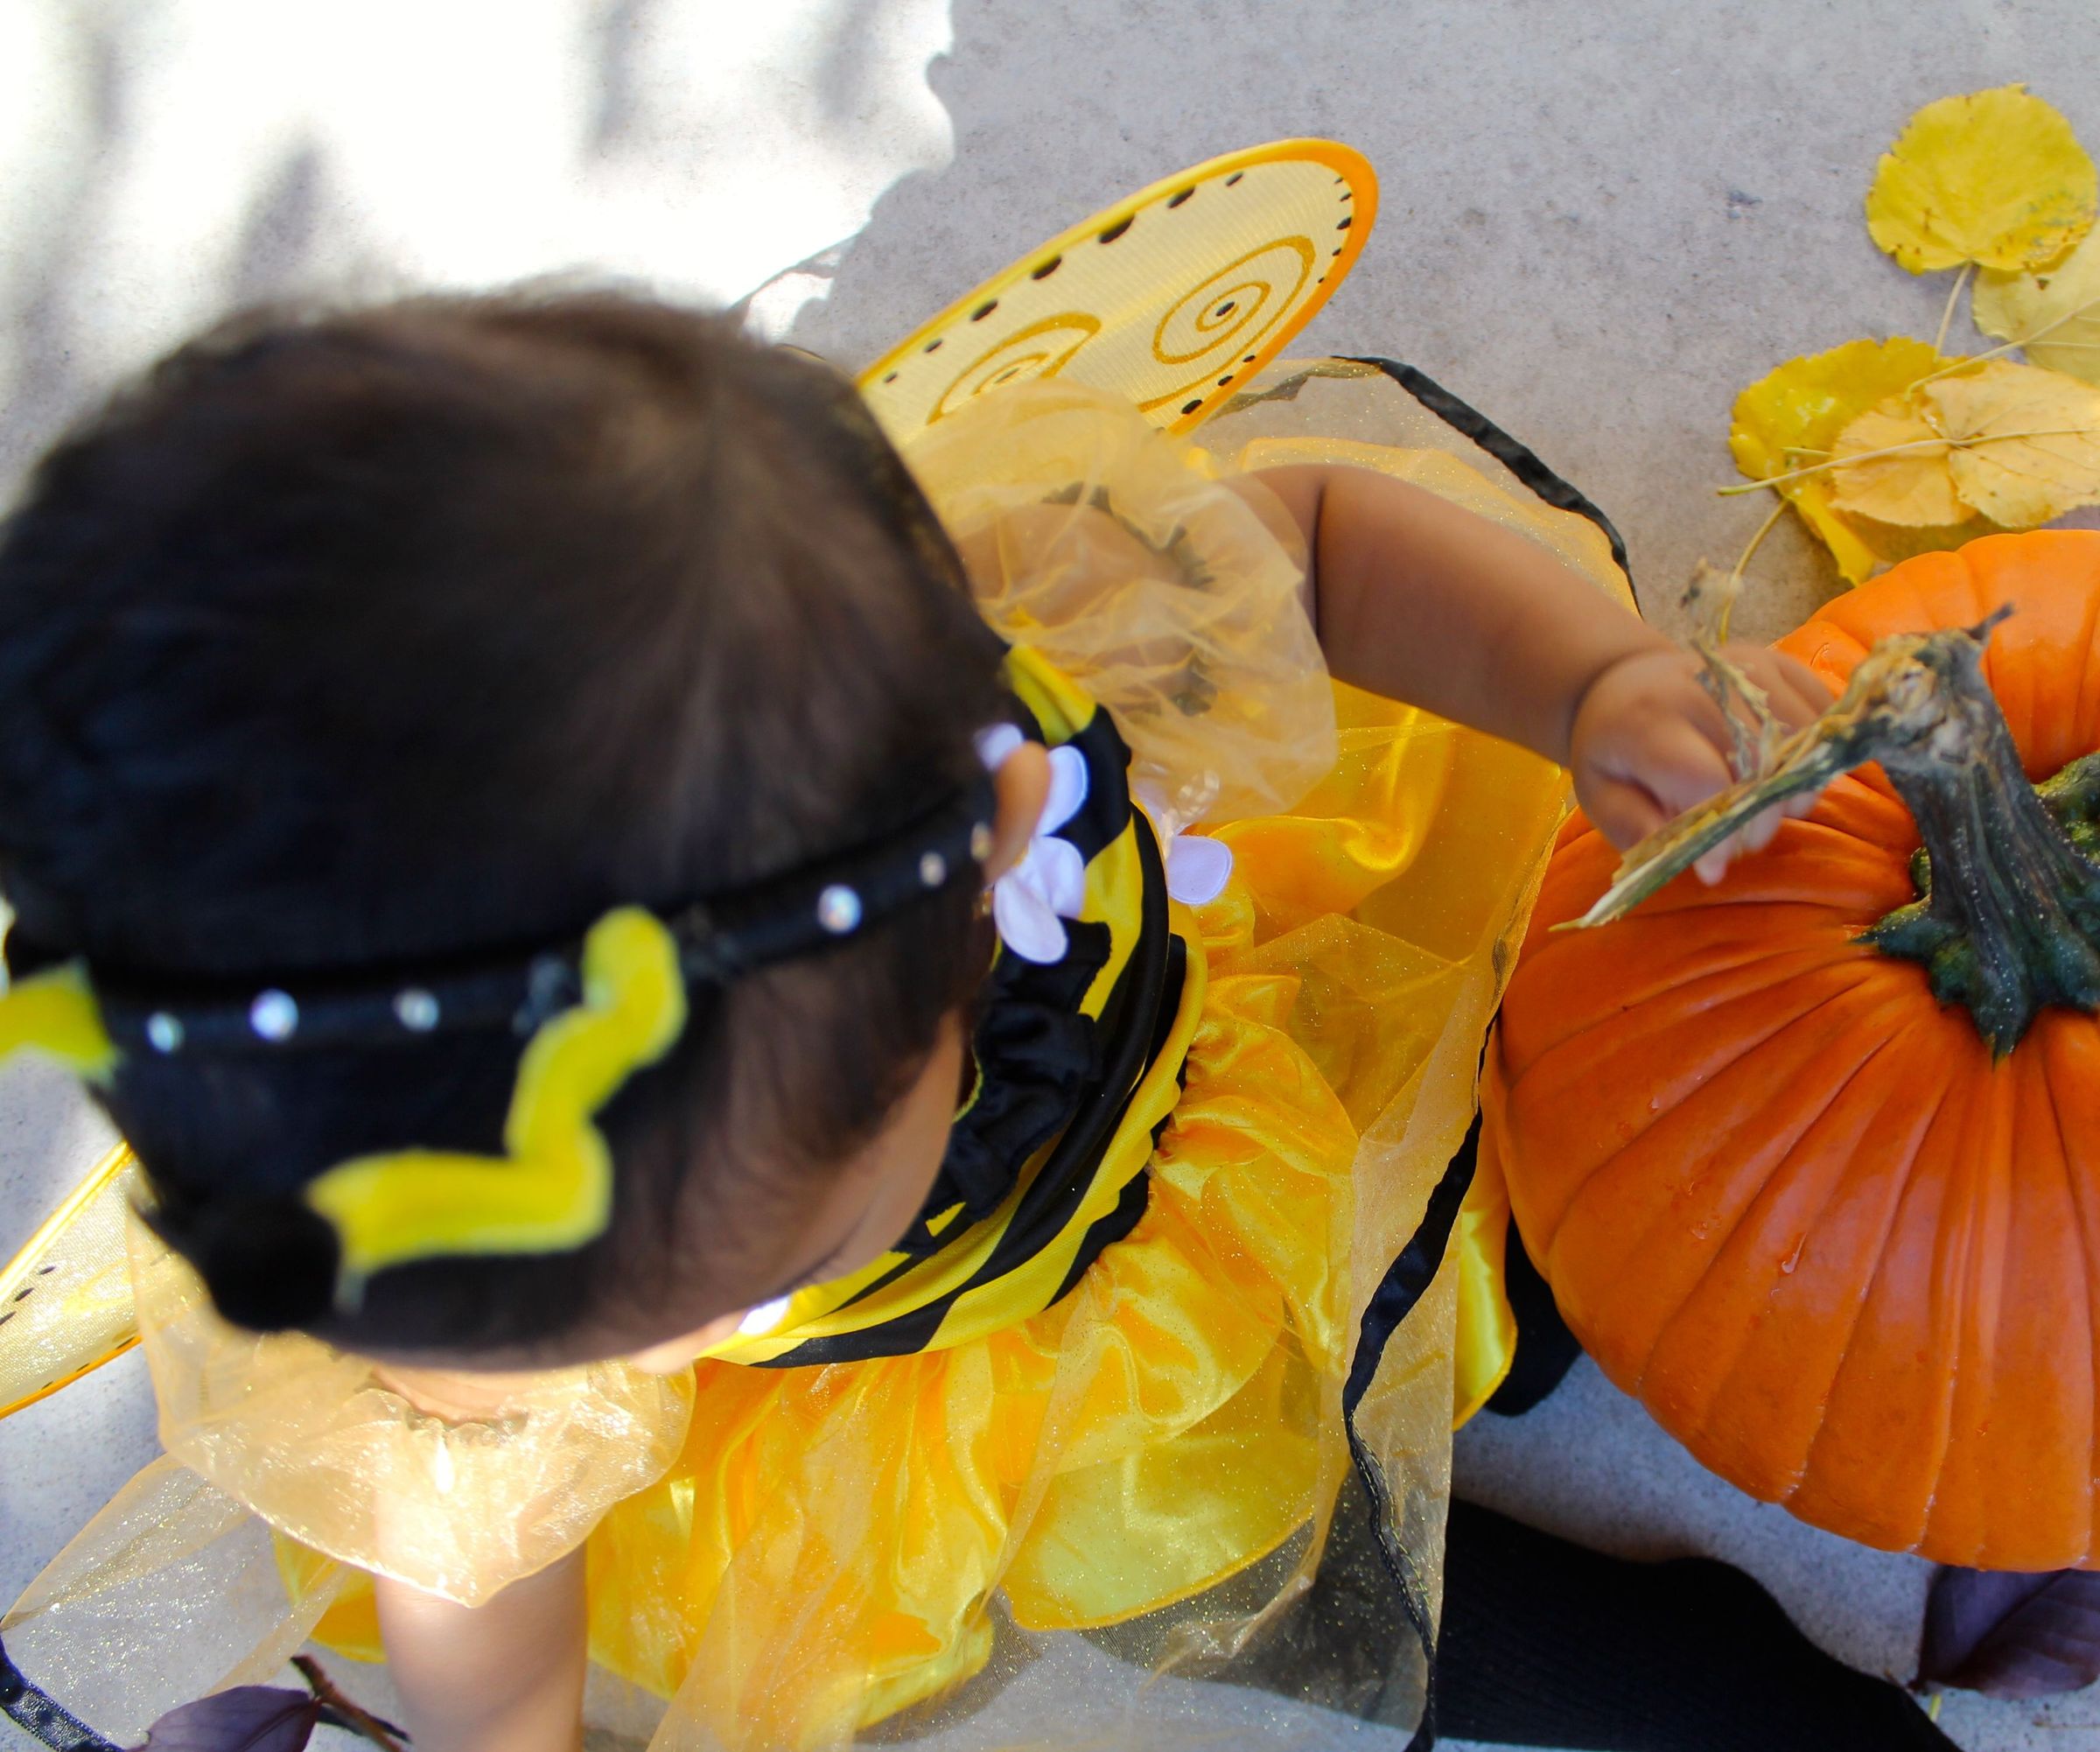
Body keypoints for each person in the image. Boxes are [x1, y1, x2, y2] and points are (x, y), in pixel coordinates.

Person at [0, 284, 1827, 1752]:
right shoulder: (451, 1239)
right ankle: (1605, 1648)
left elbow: (1330, 548)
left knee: (1571, 1209)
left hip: (1211, 1078)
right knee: (1302, 1581)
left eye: (738, 1272)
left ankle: (1594, 1310)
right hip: (1013, 1394)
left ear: (988, 853)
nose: (681, 1339)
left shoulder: (1019, 657)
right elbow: (476, 1547)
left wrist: (1592, 681)